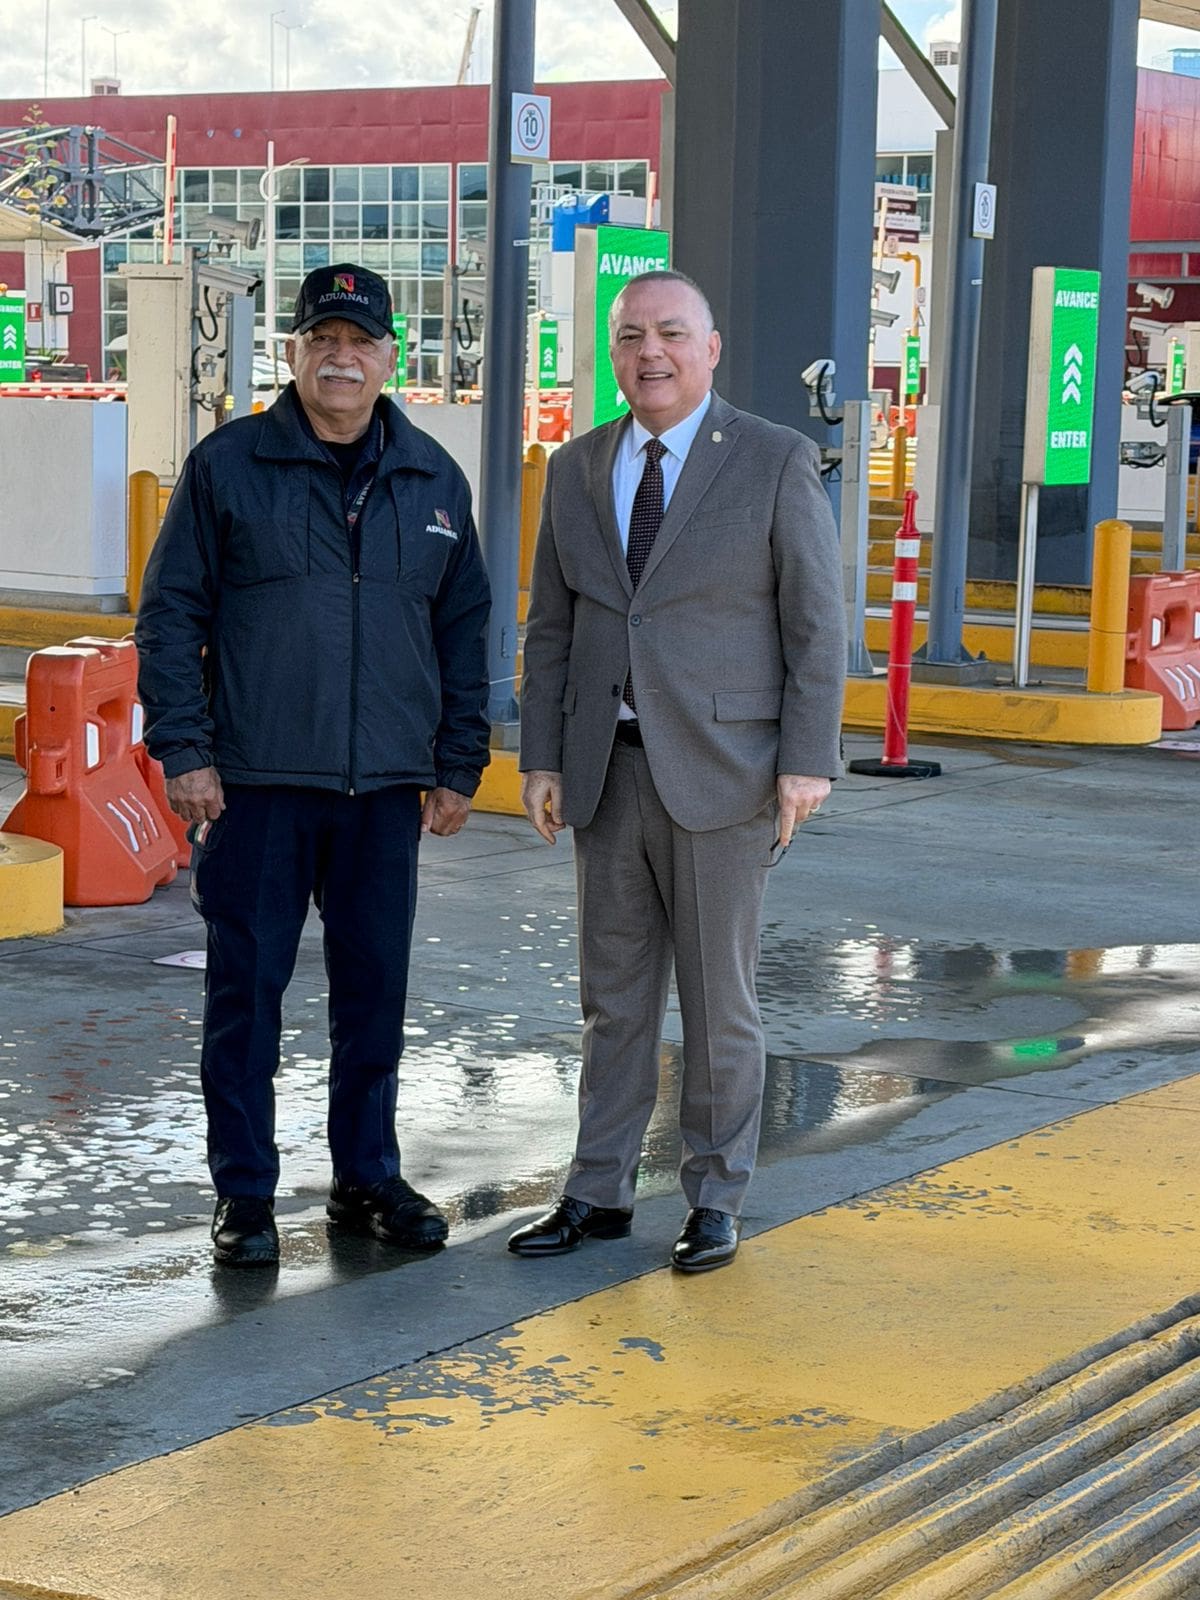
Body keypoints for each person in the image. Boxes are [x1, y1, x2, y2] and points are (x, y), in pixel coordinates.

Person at [136, 263, 491, 1267]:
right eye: (322, 339)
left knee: (374, 989)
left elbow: (464, 625)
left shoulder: (430, 477)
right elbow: (171, 615)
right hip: (254, 781)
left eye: (362, 341)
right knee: (247, 990)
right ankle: (245, 1195)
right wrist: (186, 749)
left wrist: (460, 758)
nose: (343, 356)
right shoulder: (229, 465)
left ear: (389, 357)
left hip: (383, 787)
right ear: (292, 353)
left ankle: (366, 1177)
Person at [510, 270, 845, 1274]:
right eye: (629, 337)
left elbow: (817, 626)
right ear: (612, 353)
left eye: (669, 333)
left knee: (716, 1000)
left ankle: (715, 1194)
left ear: (711, 347)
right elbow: (554, 627)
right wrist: (540, 755)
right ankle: (598, 1188)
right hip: (605, 774)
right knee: (612, 1000)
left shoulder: (777, 459)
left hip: (727, 774)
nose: (648, 353)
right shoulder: (576, 468)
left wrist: (805, 761)